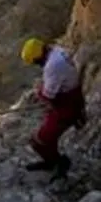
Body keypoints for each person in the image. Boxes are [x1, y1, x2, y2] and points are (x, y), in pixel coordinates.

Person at [21, 37, 86, 175]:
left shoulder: (52, 66)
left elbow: (48, 96)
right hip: (70, 98)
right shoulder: (58, 51)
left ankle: (58, 163)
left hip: (66, 106)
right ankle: (52, 161)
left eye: (36, 62)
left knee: (38, 141)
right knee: (45, 137)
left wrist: (40, 92)